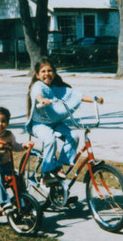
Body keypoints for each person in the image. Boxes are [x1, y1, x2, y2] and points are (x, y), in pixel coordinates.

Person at [25, 57, 103, 186]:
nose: (47, 74)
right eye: (43, 71)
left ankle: (58, 166)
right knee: (50, 140)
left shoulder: (58, 88)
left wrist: (95, 99)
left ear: (54, 73)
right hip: (39, 124)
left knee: (74, 136)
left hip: (55, 123)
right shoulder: (38, 86)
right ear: (37, 75)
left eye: (50, 70)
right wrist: (42, 100)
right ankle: (46, 173)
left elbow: (76, 95)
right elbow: (38, 94)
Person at [0, 106, 33, 214]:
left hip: (6, 166)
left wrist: (24, 145)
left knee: (18, 179)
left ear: (7, 123)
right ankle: (5, 203)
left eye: (3, 121)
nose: (0, 124)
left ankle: (23, 201)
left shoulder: (9, 135)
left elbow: (15, 146)